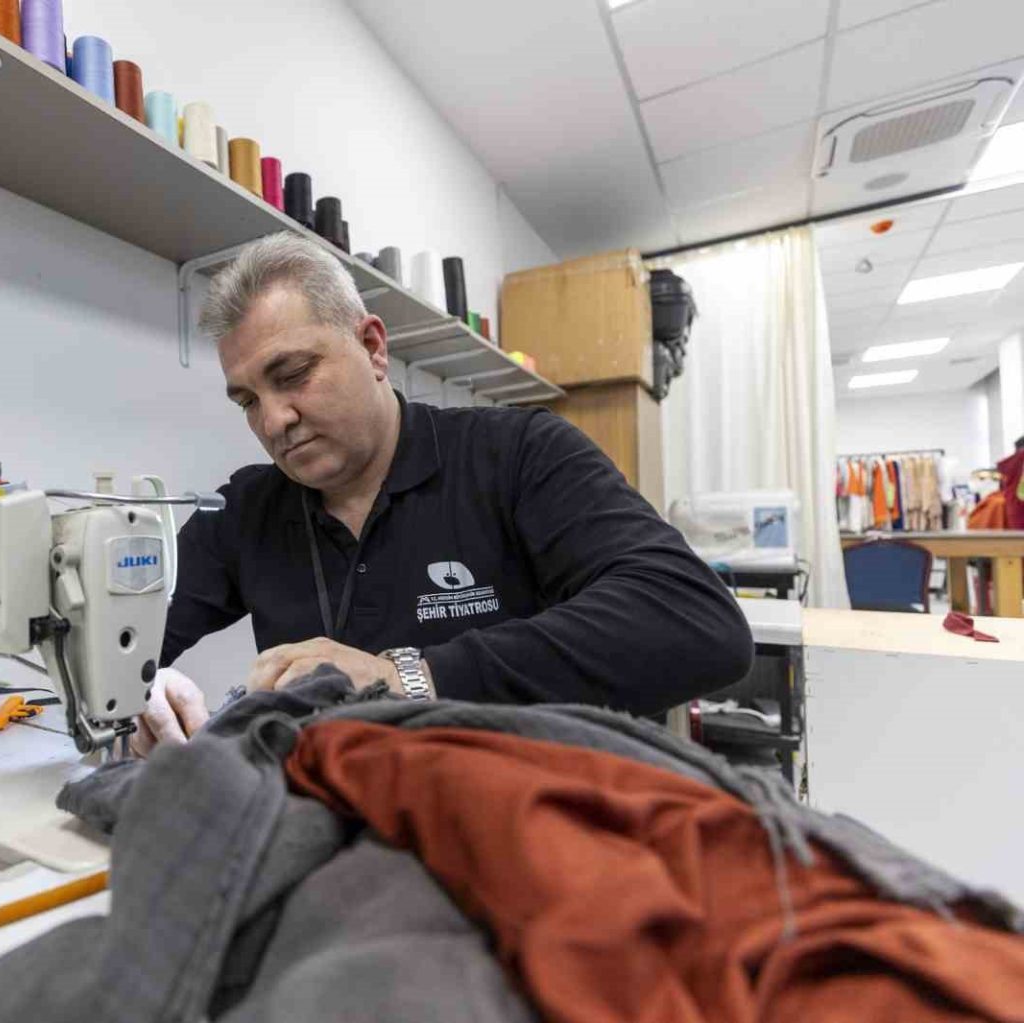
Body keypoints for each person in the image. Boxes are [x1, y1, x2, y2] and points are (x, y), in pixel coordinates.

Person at [131, 233, 752, 756]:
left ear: (373, 347)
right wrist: (144, 692)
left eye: (292, 375)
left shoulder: (517, 454)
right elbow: (128, 634)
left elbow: (697, 622)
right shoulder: (244, 512)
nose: (273, 421)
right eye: (247, 400)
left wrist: (411, 676)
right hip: (335, 830)